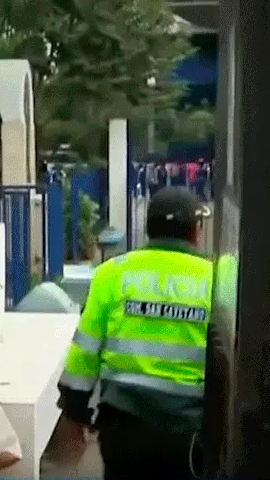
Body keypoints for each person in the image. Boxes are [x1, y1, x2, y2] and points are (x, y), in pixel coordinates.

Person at [56, 186, 213, 480]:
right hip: (187, 428)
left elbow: (85, 349)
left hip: (123, 425)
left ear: (149, 228)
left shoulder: (111, 273)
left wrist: (75, 410)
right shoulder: (215, 279)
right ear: (194, 231)